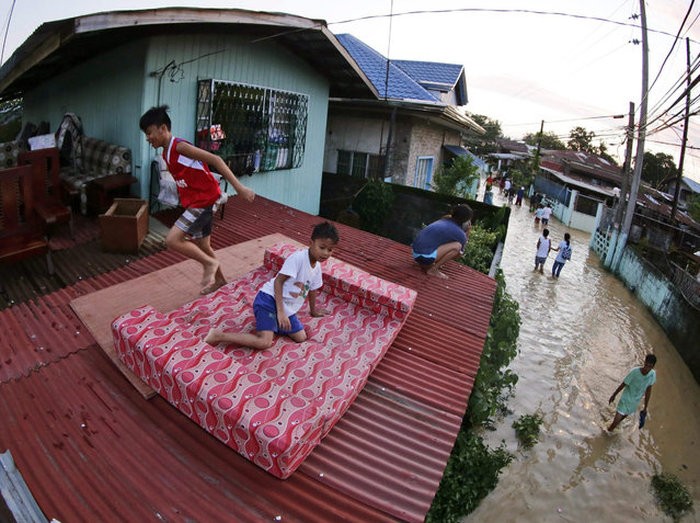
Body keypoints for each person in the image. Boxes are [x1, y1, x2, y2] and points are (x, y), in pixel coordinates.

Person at [139, 105, 256, 294]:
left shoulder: (179, 146)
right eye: (146, 134)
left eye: (149, 132)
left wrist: (240, 188)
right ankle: (219, 280)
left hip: (203, 201)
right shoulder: (166, 153)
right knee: (203, 245)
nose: (147, 138)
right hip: (197, 201)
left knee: (172, 240)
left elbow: (216, 160)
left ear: (162, 128)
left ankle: (209, 263)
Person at [205, 221, 339, 349]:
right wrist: (280, 313)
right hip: (269, 301)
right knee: (264, 342)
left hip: (286, 307)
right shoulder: (298, 259)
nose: (325, 253)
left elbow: (313, 289)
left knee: (301, 337)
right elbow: (278, 281)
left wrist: (313, 311)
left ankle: (272, 323)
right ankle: (218, 335)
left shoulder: (317, 268)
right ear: (311, 243)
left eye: (330, 250)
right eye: (322, 247)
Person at [412, 204, 473, 279]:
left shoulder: (443, 220)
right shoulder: (459, 233)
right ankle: (433, 270)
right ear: (465, 222)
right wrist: (468, 232)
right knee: (457, 246)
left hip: (416, 254)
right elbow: (459, 254)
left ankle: (431, 263)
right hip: (425, 257)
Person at [607, 354, 657, 432]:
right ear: (644, 362)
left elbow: (648, 390)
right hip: (625, 399)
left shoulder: (652, 375)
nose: (646, 368)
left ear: (653, 367)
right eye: (646, 365)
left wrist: (645, 407)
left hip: (635, 402)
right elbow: (624, 384)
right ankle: (606, 433)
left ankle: (611, 428)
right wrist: (614, 395)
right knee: (615, 423)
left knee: (620, 419)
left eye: (649, 367)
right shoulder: (634, 372)